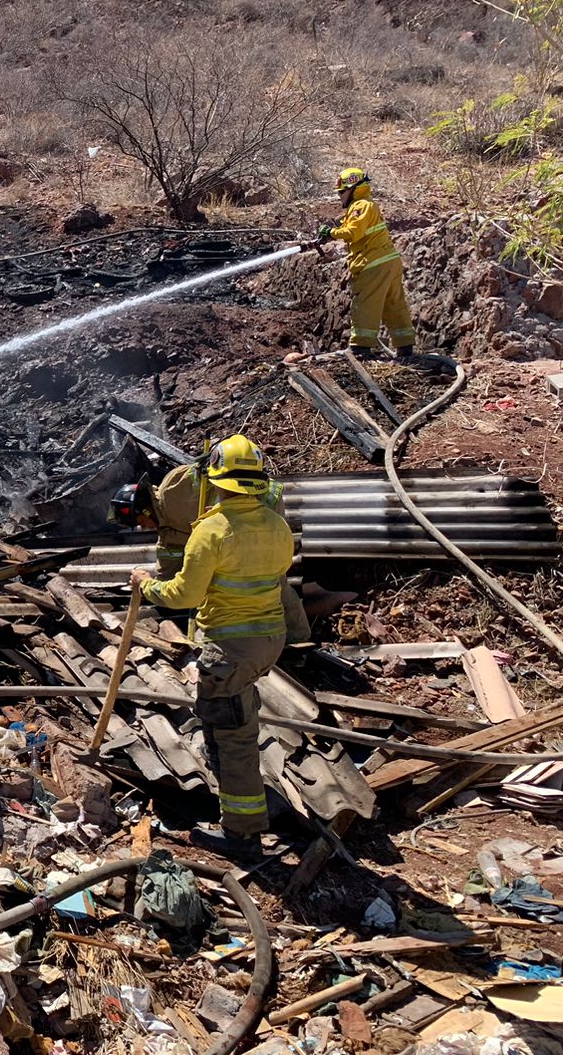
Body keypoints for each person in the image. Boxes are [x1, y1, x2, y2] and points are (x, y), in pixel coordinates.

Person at [128, 435, 295, 859]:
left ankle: (242, 833)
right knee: (231, 718)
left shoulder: (212, 530)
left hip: (230, 647)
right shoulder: (277, 525)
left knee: (235, 736)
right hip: (269, 640)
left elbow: (184, 595)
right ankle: (231, 793)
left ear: (215, 480)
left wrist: (146, 586)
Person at [111, 460, 309, 645]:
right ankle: (257, 639)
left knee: (271, 575)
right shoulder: (167, 532)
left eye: (138, 523)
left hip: (259, 500)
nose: (142, 529)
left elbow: (207, 472)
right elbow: (168, 572)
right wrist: (150, 588)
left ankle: (297, 637)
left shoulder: (173, 488)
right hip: (235, 519)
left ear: (144, 511)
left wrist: (207, 474)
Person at [318, 168, 417, 361]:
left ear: (354, 188)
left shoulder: (360, 206)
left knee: (365, 304)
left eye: (341, 192)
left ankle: (360, 349)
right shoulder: (367, 205)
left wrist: (331, 233)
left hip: (373, 264)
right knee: (393, 304)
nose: (339, 196)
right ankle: (405, 347)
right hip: (389, 261)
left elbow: (354, 232)